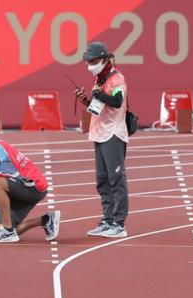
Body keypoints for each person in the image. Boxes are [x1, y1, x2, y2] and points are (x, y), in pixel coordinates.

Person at [75, 41, 129, 238]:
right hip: (99, 133)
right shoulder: (99, 79)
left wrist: (100, 95)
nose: (90, 65)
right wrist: (86, 101)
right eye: (88, 61)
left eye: (94, 61)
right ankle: (107, 220)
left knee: (117, 180)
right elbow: (96, 109)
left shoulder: (117, 79)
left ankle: (118, 224)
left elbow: (117, 101)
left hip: (113, 134)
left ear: (106, 59)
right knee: (102, 181)